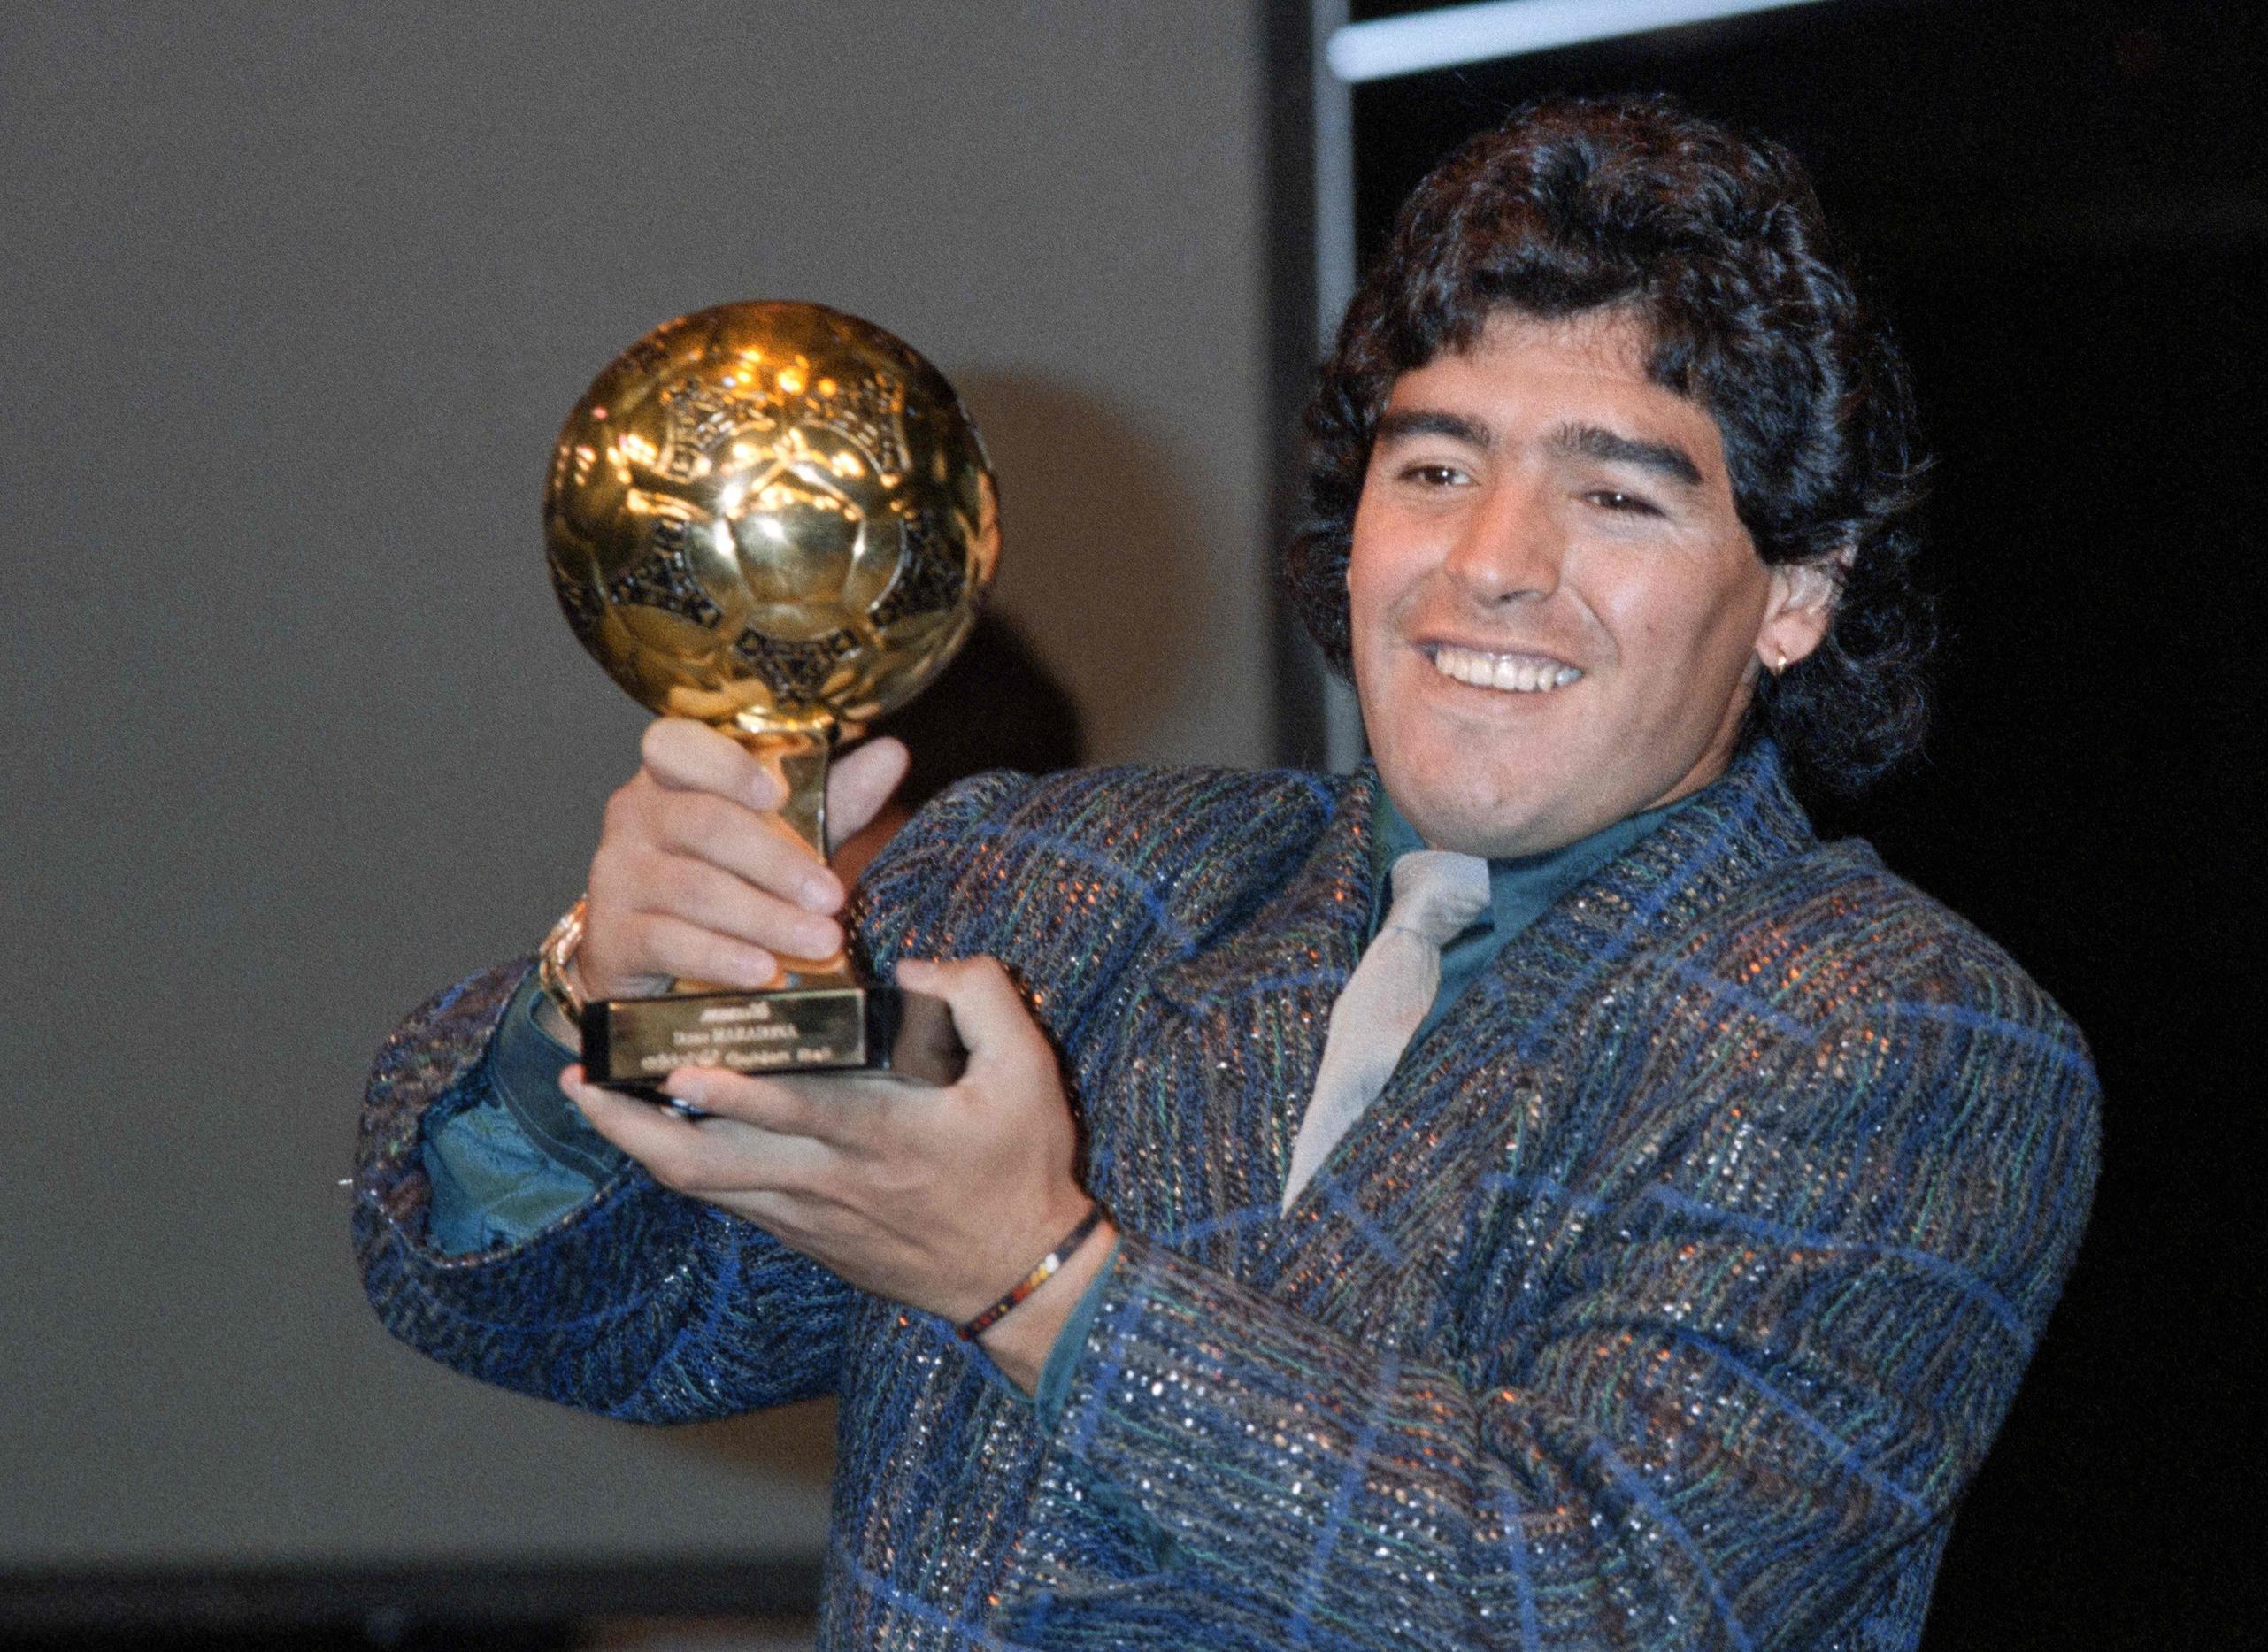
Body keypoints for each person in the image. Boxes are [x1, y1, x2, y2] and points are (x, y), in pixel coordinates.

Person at [356, 96, 2099, 1649]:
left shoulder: (1902, 1043)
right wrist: (600, 994)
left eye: (1616, 497)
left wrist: (1035, 1280)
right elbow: (564, 1310)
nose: (1489, 564)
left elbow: (1589, 1590)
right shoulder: (1053, 886)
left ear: (1794, 591)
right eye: (1433, 467)